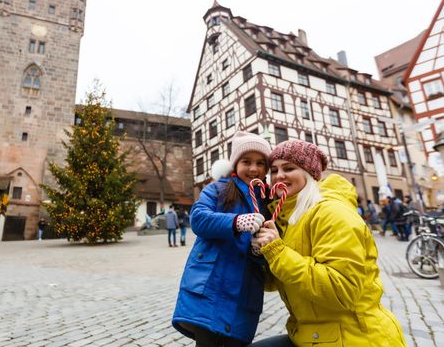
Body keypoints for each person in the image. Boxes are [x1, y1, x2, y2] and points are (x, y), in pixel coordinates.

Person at [250, 140, 407, 347]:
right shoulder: (288, 218)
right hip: (312, 334)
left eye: (289, 168)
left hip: (353, 338)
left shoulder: (331, 212)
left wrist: (277, 252)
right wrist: (260, 256)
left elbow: (341, 291)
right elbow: (279, 282)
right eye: (274, 170)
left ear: (309, 173)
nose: (279, 175)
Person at [172, 131, 272, 346]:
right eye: (246, 161)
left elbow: (272, 246)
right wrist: (235, 222)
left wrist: (259, 252)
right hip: (210, 288)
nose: (253, 168)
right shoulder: (218, 189)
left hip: (243, 295)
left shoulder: (267, 201)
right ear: (235, 164)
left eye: (260, 163)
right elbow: (198, 219)